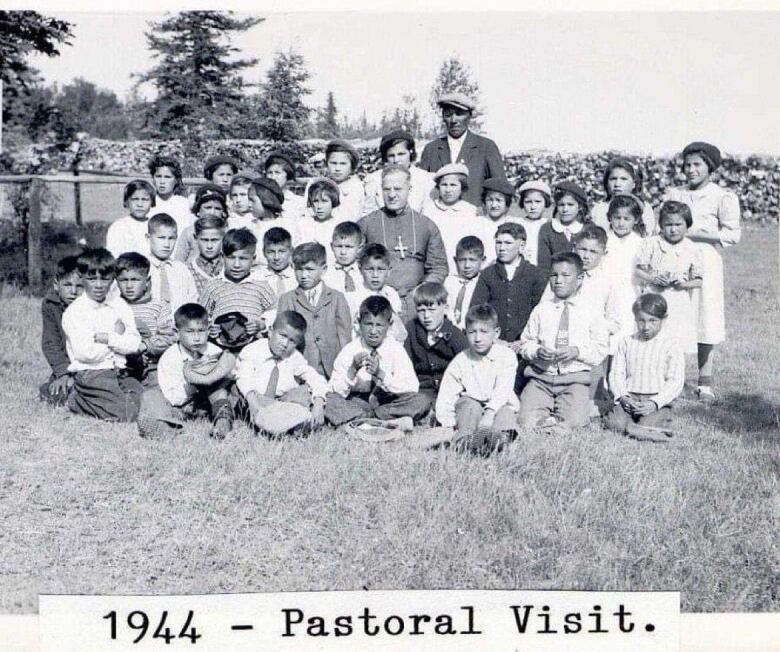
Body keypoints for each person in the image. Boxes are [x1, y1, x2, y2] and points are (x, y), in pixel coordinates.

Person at [664, 141, 741, 401]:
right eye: (687, 165)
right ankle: (672, 377)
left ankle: (704, 382)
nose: (691, 170)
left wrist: (701, 234)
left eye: (697, 165)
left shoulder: (722, 196)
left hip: (706, 261)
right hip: (676, 258)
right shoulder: (675, 194)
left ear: (710, 167)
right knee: (674, 314)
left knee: (705, 316)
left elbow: (733, 234)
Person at [518, 252, 608, 431]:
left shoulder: (591, 311)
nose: (558, 280)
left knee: (574, 422)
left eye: (566, 275)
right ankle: (546, 417)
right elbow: (525, 343)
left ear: (580, 278)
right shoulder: (542, 310)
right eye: (554, 275)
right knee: (525, 420)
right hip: (541, 378)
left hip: (574, 380)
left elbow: (601, 349)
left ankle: (567, 414)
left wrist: (577, 351)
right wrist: (536, 351)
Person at [61, 248, 144, 422]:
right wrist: (117, 335)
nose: (99, 285)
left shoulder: (119, 305)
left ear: (112, 279)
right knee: (126, 414)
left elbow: (135, 343)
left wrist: (108, 338)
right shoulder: (76, 312)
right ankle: (77, 400)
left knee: (144, 407)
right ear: (82, 277)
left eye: (105, 279)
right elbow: (87, 353)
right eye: (92, 279)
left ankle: (102, 401)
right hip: (92, 372)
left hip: (121, 370)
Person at [358, 165, 448, 320]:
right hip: (377, 302)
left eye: (398, 189)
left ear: (409, 189)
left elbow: (438, 266)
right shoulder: (366, 224)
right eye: (387, 189)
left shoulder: (426, 225)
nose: (392, 195)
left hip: (417, 304)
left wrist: (422, 290)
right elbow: (354, 262)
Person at [325, 296, 431, 427]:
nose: (373, 331)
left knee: (422, 400)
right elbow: (334, 391)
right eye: (368, 324)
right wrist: (352, 371)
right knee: (328, 400)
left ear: (389, 325)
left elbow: (411, 387)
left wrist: (381, 375)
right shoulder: (350, 350)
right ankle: (379, 422)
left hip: (388, 404)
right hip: (358, 403)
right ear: (359, 322)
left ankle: (366, 421)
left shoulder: (396, 349)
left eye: (379, 325)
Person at [137, 303, 236, 440]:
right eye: (190, 332)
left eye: (201, 331)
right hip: (181, 407)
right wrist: (194, 384)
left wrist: (220, 375)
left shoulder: (214, 351)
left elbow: (228, 376)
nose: (196, 337)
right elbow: (172, 398)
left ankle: (222, 423)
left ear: (208, 330)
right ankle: (165, 429)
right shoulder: (170, 357)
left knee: (224, 391)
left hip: (209, 405)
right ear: (177, 333)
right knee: (150, 396)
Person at [435, 303, 520, 453]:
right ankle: (466, 441)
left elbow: (502, 390)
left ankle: (500, 439)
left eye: (484, 332)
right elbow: (446, 395)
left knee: (505, 412)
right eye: (472, 332)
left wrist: (489, 414)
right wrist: (448, 424)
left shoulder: (506, 356)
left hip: (498, 404)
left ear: (497, 333)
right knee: (467, 406)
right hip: (472, 404)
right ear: (465, 333)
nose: (478, 338)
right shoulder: (460, 361)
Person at [605, 293, 685, 442]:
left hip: (655, 399)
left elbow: (675, 380)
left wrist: (655, 403)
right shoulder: (626, 342)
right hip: (630, 398)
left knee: (647, 423)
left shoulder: (671, 345)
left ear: (663, 320)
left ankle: (649, 427)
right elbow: (616, 373)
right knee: (614, 423)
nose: (646, 327)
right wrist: (623, 397)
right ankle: (636, 429)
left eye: (652, 321)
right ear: (635, 319)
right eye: (641, 321)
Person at [235, 311, 329, 436]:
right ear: (270, 331)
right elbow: (244, 378)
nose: (285, 344)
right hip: (255, 400)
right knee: (237, 392)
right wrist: (253, 403)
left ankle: (285, 422)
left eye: (292, 341)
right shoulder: (253, 350)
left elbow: (315, 377)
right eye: (282, 335)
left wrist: (318, 402)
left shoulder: (294, 357)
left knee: (310, 392)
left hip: (283, 401)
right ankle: (288, 423)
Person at [635, 200, 702, 357]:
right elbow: (638, 270)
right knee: (652, 337)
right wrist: (653, 279)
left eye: (678, 224)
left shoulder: (692, 248)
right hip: (654, 297)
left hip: (679, 300)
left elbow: (699, 280)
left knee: (676, 339)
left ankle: (675, 377)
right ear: (661, 226)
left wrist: (683, 284)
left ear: (687, 225)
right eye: (668, 225)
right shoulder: (651, 243)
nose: (673, 229)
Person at [276, 242, 352, 378]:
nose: (304, 275)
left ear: (323, 269)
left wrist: (345, 371)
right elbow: (283, 340)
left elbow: (345, 338)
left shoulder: (337, 298)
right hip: (300, 371)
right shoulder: (286, 299)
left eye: (309, 269)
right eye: (299, 269)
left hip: (333, 371)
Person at [470, 222, 546, 357]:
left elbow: (541, 312)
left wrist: (524, 341)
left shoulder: (535, 274)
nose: (502, 248)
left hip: (525, 346)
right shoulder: (488, 274)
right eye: (498, 243)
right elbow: (476, 311)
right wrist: (495, 339)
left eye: (508, 243)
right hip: (494, 345)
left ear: (521, 245)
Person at [419, 92, 507, 206]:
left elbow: (500, 191)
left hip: (475, 219)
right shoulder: (431, 149)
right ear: (443, 117)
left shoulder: (486, 147)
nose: (453, 120)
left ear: (469, 116)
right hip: (438, 220)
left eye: (459, 113)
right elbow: (421, 191)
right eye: (448, 114)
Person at [199, 228, 276, 352]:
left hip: (253, 347)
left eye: (243, 258)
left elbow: (274, 312)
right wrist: (209, 329)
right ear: (223, 257)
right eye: (231, 258)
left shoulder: (261, 286)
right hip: (221, 348)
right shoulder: (212, 286)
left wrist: (260, 324)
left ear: (253, 258)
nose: (236, 264)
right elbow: (200, 317)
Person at [115, 252, 176, 387]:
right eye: (123, 280)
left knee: (157, 391)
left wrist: (144, 347)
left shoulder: (159, 307)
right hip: (121, 366)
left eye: (135, 280)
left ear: (147, 281)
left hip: (152, 366)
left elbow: (169, 338)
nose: (129, 286)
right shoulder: (113, 307)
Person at [404, 282, 469, 404]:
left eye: (432, 309)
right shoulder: (411, 330)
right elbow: (404, 365)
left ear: (445, 308)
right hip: (421, 391)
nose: (427, 316)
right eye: (421, 311)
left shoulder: (454, 334)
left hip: (449, 391)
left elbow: (468, 366)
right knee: (417, 402)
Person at [600, 194, 645, 342]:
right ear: (610, 218)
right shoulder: (603, 240)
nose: (621, 223)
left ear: (636, 220)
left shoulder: (640, 243)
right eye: (617, 218)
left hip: (629, 293)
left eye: (626, 219)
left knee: (627, 334)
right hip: (605, 292)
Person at [39, 255, 83, 405]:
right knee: (52, 394)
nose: (73, 291)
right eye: (67, 285)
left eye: (79, 286)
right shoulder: (51, 305)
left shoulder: (90, 306)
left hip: (90, 363)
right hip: (67, 364)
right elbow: (51, 343)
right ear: (57, 285)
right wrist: (63, 373)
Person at [362, 129, 435, 215]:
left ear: (410, 152)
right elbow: (368, 213)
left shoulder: (425, 179)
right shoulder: (375, 179)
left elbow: (428, 214)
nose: (396, 160)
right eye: (391, 156)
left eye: (401, 154)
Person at [349, 243, 408, 342]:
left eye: (380, 269)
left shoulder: (392, 294)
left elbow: (398, 329)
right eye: (369, 269)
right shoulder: (354, 297)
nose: (375, 275)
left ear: (389, 271)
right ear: (360, 270)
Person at [421, 163, 478, 260]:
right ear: (438, 187)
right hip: (433, 262)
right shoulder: (428, 210)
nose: (448, 190)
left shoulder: (470, 211)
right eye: (444, 185)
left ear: (462, 187)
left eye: (453, 185)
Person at [144, 213, 197, 313]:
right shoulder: (140, 268)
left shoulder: (182, 270)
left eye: (171, 238)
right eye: (161, 238)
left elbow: (192, 301)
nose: (167, 244)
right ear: (148, 238)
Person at [591, 157, 656, 235]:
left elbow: (648, 235)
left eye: (623, 179)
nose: (617, 184)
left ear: (634, 184)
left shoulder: (644, 208)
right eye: (613, 179)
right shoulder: (600, 208)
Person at [537, 181, 589, 275]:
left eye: (570, 205)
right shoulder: (547, 229)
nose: (565, 209)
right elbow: (543, 266)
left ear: (580, 206)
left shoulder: (588, 229)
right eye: (561, 205)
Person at [175, 186, 229, 262]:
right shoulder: (189, 232)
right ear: (198, 210)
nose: (212, 212)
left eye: (217, 208)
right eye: (208, 208)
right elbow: (179, 260)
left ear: (223, 212)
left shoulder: (227, 232)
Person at [106, 179, 156, 258]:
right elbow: (114, 256)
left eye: (145, 200)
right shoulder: (118, 227)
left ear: (152, 202)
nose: (140, 204)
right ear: (126, 202)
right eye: (135, 199)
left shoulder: (155, 225)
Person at [444, 235, 485, 330]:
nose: (467, 265)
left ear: (482, 260)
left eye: (472, 260)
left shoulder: (482, 284)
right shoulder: (448, 282)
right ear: (455, 260)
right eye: (462, 260)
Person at [148, 156, 193, 234]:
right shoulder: (147, 203)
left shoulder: (185, 204)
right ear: (153, 179)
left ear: (176, 180)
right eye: (158, 176)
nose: (162, 181)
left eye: (167, 177)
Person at [323, 139, 365, 222]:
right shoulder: (322, 185)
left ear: (351, 167)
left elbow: (349, 217)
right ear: (326, 164)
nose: (337, 169)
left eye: (343, 164)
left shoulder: (355, 188)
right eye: (333, 163)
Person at [323, 221, 364, 300]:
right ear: (331, 246)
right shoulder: (326, 273)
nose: (343, 252)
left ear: (359, 248)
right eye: (339, 246)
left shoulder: (364, 271)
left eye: (348, 247)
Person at [515, 180, 553, 266]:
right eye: (528, 202)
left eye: (538, 202)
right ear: (522, 203)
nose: (533, 207)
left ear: (545, 203)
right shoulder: (517, 223)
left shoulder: (548, 224)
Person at [186, 215, 226, 295]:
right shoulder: (187, 270)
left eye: (214, 240)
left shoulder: (230, 268)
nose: (209, 246)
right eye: (205, 240)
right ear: (195, 238)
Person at [305, 177, 345, 258]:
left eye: (324, 201)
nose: (319, 206)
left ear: (333, 202)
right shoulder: (304, 224)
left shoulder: (339, 225)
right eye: (315, 201)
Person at [264, 151, 306, 221]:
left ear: (288, 174)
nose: (273, 177)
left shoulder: (299, 203)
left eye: (277, 172)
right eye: (270, 173)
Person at [255, 227, 296, 298]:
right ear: (264, 252)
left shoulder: (299, 278)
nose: (276, 257)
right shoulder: (256, 279)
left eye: (282, 251)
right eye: (271, 252)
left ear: (291, 251)